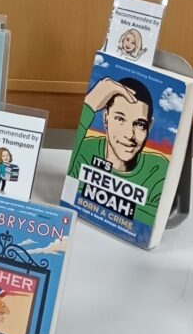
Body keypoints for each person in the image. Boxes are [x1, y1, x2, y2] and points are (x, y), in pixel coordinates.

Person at [66, 76, 165, 228]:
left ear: (149, 126)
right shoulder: (84, 150)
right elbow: (68, 194)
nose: (130, 135)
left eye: (139, 124)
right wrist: (90, 103)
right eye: (120, 119)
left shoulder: (157, 169)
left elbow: (151, 220)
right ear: (106, 118)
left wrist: (89, 195)